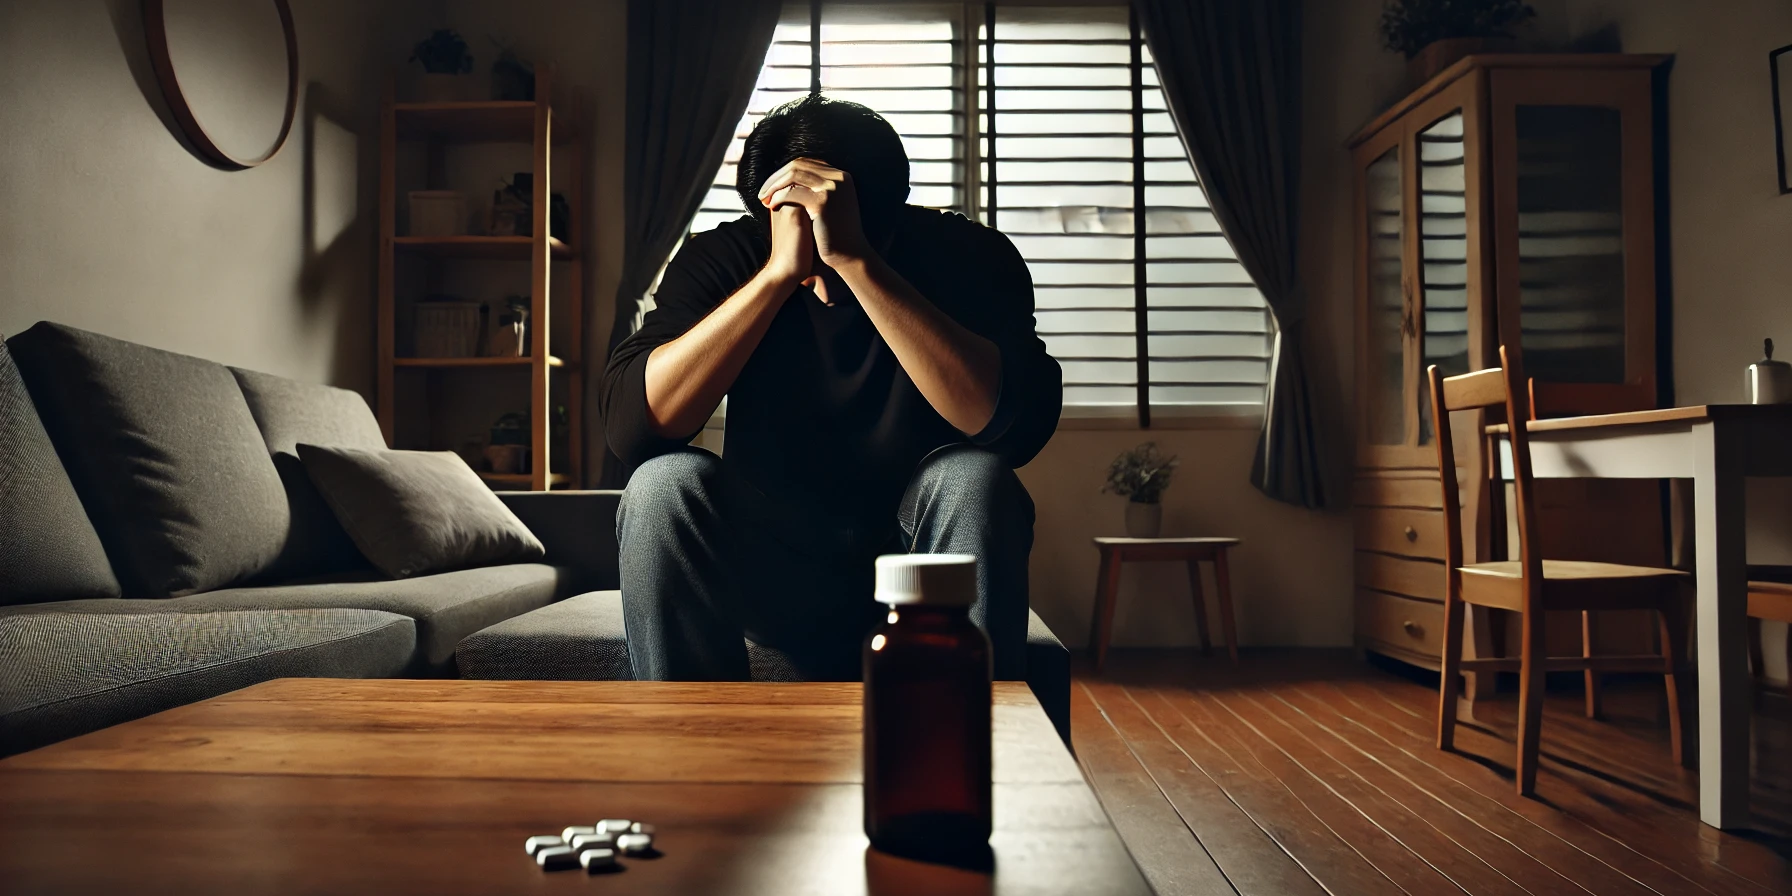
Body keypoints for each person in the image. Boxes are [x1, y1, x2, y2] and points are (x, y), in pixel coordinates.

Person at [601, 95, 1061, 683]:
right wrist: (776, 275)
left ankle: (958, 743)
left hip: (921, 569)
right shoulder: (726, 256)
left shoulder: (968, 255)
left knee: (977, 478)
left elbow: (1011, 426)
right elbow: (634, 427)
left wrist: (857, 261)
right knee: (661, 484)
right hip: (769, 567)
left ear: (888, 210)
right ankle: (690, 755)